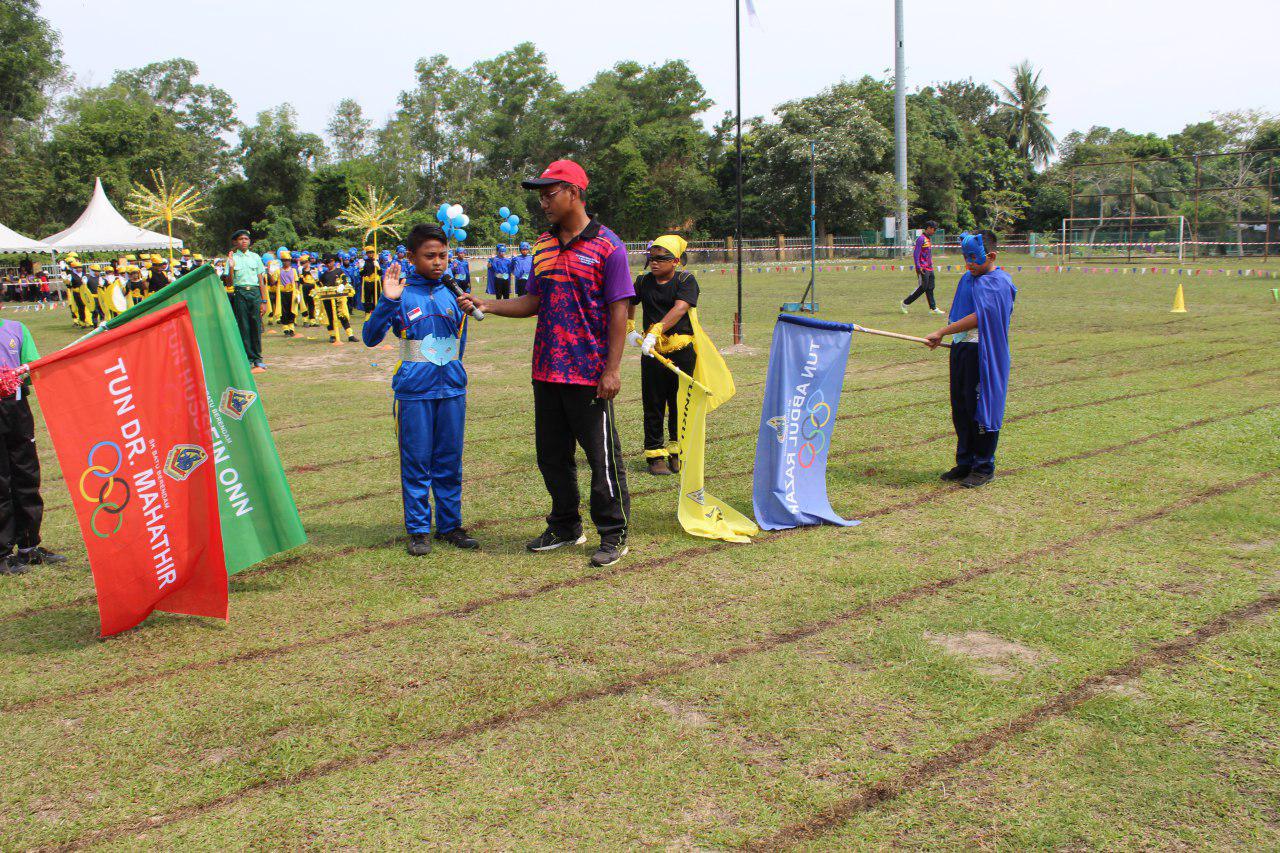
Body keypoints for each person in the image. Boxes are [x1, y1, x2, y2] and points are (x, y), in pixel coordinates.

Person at [457, 159, 633, 568]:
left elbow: (619, 312)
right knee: (551, 456)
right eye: (540, 196)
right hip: (546, 369)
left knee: (601, 455)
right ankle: (565, 525)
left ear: (574, 192)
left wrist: (612, 368)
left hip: (589, 372)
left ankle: (613, 532)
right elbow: (535, 301)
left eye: (549, 194)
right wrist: (489, 304)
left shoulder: (609, 246)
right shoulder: (541, 246)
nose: (543, 203)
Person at [362, 223, 478, 556]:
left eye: (443, 255)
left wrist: (451, 368)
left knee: (449, 461)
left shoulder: (454, 292)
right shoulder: (401, 292)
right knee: (416, 462)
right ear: (412, 257)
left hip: (452, 390)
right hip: (414, 392)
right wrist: (387, 300)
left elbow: (460, 342)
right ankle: (418, 530)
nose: (438, 262)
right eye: (430, 256)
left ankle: (450, 526)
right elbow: (370, 337)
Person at [925, 230, 1016, 489]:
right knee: (962, 407)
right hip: (961, 349)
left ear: (992, 255)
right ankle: (965, 462)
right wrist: (948, 336)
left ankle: (983, 466)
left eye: (974, 258)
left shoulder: (999, 282)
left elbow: (981, 317)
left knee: (981, 408)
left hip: (983, 354)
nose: (969, 264)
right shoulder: (968, 278)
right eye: (966, 258)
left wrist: (942, 331)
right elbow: (958, 315)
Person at [627, 235, 699, 476]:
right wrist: (630, 326)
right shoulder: (643, 281)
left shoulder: (686, 280)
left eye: (661, 258)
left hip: (681, 350)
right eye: (651, 258)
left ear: (675, 261)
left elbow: (680, 308)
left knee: (680, 403)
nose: (654, 263)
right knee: (654, 403)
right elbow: (629, 300)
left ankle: (677, 452)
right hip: (652, 352)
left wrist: (657, 328)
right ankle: (655, 455)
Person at [0, 318, 67, 573]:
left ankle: (28, 547)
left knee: (26, 475)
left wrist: (18, 375)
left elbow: (32, 364)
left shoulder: (17, 329)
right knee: (0, 483)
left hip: (16, 408)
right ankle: (2, 554)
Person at [226, 229, 269, 374]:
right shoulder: (232, 258)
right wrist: (231, 267)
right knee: (244, 326)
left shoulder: (255, 257)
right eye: (240, 239)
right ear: (235, 242)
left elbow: (261, 280)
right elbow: (229, 282)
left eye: (246, 239)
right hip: (240, 292)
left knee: (256, 325)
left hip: (255, 293)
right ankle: (248, 358)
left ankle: (258, 358)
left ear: (249, 242)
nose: (244, 241)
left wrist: (264, 301)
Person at [901, 220, 944, 315]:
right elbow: (916, 254)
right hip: (922, 268)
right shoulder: (921, 239)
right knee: (923, 288)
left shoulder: (928, 239)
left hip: (929, 267)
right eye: (934, 229)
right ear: (928, 228)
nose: (934, 231)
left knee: (930, 287)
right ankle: (905, 303)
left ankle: (933, 308)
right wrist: (918, 266)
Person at [318, 254, 357, 344]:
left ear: (333, 262)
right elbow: (320, 284)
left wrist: (342, 285)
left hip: (338, 297)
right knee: (329, 316)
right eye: (326, 263)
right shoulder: (324, 275)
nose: (328, 264)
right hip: (327, 298)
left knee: (342, 316)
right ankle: (332, 335)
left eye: (329, 262)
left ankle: (350, 335)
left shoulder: (339, 271)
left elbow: (344, 279)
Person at [359, 245, 381, 312]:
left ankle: (376, 311)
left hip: (375, 282)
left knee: (376, 298)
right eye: (369, 252)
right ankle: (368, 312)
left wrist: (378, 267)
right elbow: (361, 274)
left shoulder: (376, 261)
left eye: (372, 252)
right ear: (366, 254)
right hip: (367, 282)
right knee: (367, 299)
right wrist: (362, 268)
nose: (371, 254)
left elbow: (380, 273)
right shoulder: (364, 262)